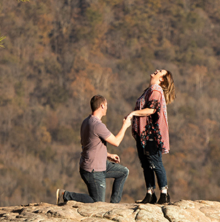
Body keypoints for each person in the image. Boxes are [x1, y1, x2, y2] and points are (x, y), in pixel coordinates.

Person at [56, 95, 134, 205]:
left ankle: (114, 205)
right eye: (106, 105)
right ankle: (66, 195)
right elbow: (116, 142)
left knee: (123, 172)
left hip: (99, 164)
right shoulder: (97, 125)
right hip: (94, 170)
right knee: (97, 203)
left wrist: (108, 155)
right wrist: (125, 126)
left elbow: (90, 146)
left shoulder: (86, 122)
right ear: (102, 106)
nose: (107, 108)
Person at [131, 68, 176, 204]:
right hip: (144, 133)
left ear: (162, 79)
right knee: (146, 164)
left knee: (155, 163)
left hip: (151, 133)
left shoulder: (156, 90)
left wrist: (132, 114)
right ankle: (150, 193)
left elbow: (151, 109)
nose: (156, 70)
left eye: (160, 71)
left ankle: (164, 193)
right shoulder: (149, 90)